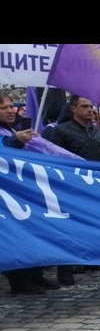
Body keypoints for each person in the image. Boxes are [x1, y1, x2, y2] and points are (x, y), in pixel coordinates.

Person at [42, 94, 100, 282]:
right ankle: (65, 270)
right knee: (69, 229)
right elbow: (56, 160)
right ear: (73, 109)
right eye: (85, 106)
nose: (90, 110)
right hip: (72, 188)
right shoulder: (61, 131)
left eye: (91, 106)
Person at [0, 92, 62, 295]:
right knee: (14, 236)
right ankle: (19, 280)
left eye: (11, 106)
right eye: (4, 108)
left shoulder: (13, 130)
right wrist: (14, 141)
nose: (10, 110)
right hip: (6, 199)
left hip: (22, 194)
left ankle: (35, 274)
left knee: (32, 232)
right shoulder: (9, 135)